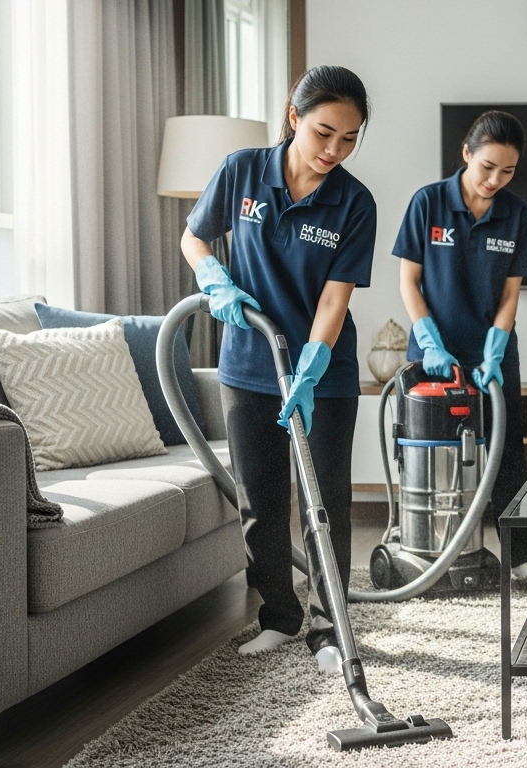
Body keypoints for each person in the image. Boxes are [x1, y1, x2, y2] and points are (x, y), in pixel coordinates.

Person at [181, 66, 375, 674]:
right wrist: (212, 279)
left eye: (349, 138)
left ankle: (327, 630)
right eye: (323, 133)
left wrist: (313, 366)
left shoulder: (354, 201)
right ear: (293, 118)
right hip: (247, 363)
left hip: (324, 373)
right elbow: (195, 238)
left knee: (324, 503)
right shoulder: (241, 171)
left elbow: (334, 299)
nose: (333, 151)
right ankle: (280, 616)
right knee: (260, 501)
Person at [393, 111, 527, 579]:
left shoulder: (516, 215)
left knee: (505, 454)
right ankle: (427, 549)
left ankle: (518, 560)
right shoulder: (428, 203)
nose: (496, 179)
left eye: (508, 171)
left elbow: (510, 294)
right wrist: (430, 343)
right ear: (466, 155)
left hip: (490, 356)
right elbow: (409, 282)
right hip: (433, 355)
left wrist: (495, 349)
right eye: (488, 167)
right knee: (431, 453)